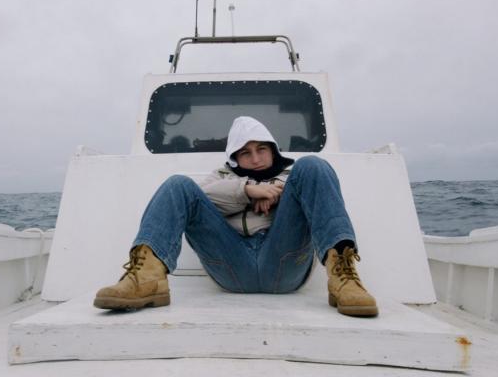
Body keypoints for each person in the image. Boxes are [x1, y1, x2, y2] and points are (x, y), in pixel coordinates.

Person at [93, 116, 378, 317]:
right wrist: (250, 190)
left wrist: (279, 190)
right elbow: (201, 197)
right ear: (234, 157)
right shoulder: (221, 176)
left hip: (284, 262)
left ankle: (343, 278)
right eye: (246, 152)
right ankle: (147, 280)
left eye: (261, 149)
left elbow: (305, 188)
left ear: (272, 149)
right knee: (177, 185)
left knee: (314, 165)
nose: (255, 159)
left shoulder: (294, 175)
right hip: (230, 265)